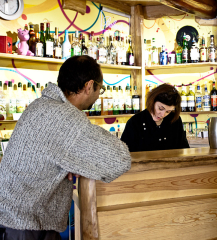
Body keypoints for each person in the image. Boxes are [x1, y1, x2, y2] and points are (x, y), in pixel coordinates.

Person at [0, 56, 131, 240]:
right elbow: (120, 159)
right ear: (89, 85)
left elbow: (51, 153)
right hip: (24, 227)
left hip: (12, 220)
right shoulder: (66, 118)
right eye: (100, 88)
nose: (98, 94)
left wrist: (74, 163)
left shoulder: (42, 105)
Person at [121, 83, 189, 152]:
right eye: (160, 108)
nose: (162, 114)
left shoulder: (175, 120)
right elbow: (124, 154)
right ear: (152, 101)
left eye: (168, 111)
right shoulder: (135, 122)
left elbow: (184, 149)